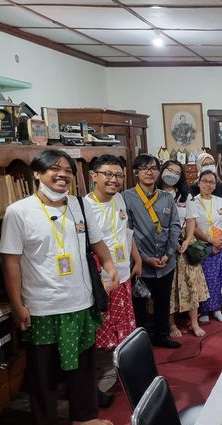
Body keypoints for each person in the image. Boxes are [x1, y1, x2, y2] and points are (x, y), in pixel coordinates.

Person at [0, 150, 118, 425]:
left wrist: (109, 264)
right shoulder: (19, 211)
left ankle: (83, 416)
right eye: (54, 169)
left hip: (81, 302)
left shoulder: (79, 206)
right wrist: (17, 304)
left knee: (83, 365)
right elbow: (10, 261)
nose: (62, 174)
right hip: (42, 306)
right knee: (43, 374)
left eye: (67, 169)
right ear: (36, 174)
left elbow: (97, 240)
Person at [84, 154, 140, 407]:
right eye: (107, 174)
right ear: (93, 176)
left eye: (118, 175)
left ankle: (119, 375)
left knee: (123, 328)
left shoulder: (119, 199)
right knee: (101, 332)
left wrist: (136, 257)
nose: (113, 179)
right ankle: (98, 384)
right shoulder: (83, 207)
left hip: (123, 273)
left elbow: (125, 231)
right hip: (101, 281)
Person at [124, 154, 182, 349]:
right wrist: (144, 258)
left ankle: (162, 336)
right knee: (139, 304)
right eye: (144, 168)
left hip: (166, 261)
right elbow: (128, 231)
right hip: (141, 263)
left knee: (163, 301)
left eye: (153, 168)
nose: (149, 172)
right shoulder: (126, 198)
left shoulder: (167, 198)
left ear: (159, 172)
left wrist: (168, 254)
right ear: (136, 172)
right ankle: (140, 342)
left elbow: (175, 227)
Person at [157, 160, 209, 337]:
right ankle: (171, 324)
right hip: (163, 247)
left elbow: (191, 220)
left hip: (185, 246)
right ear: (162, 171)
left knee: (191, 283)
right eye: (169, 170)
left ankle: (194, 323)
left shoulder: (184, 196)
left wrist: (187, 240)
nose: (172, 174)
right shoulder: (154, 194)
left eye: (177, 172)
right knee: (169, 287)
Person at [192, 168, 222, 323]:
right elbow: (193, 227)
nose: (208, 185)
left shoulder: (221, 202)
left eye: (212, 182)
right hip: (202, 246)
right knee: (205, 278)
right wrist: (211, 241)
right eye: (205, 181)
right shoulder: (192, 202)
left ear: (215, 185)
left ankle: (217, 309)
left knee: (220, 276)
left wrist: (220, 241)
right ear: (199, 182)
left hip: (221, 244)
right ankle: (204, 310)